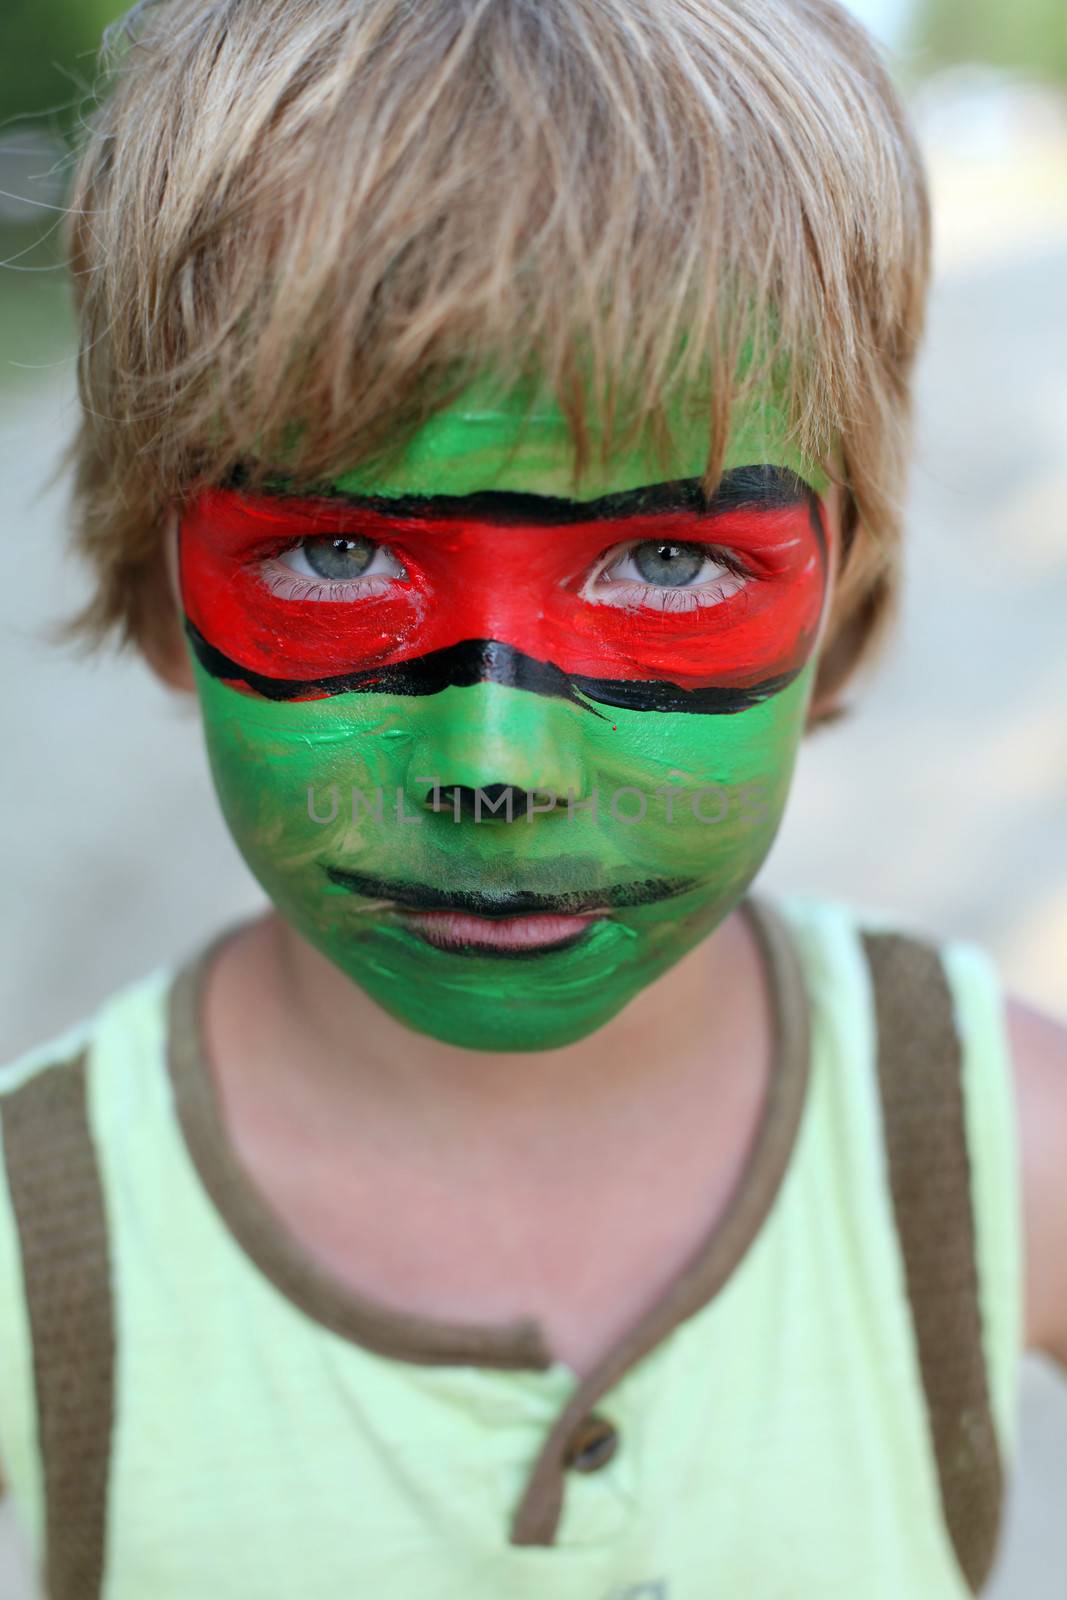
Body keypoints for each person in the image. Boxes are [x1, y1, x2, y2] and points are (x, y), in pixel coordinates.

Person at [1, 0, 1065, 1595]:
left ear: (837, 615)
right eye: (335, 555)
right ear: (164, 596)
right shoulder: (41, 1244)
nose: (494, 766)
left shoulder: (995, 1152)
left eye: (669, 562)